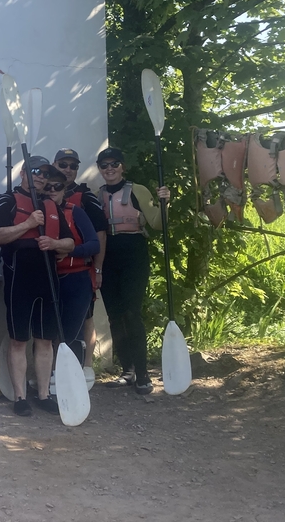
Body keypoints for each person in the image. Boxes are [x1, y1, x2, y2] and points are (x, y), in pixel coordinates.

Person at [0, 155, 74, 417]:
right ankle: (20, 397)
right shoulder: (8, 201)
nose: (40, 176)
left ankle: (44, 394)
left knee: (45, 339)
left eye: (45, 173)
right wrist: (28, 224)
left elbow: (70, 242)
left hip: (47, 277)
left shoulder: (51, 204)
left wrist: (55, 244)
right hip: (19, 278)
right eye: (34, 170)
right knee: (18, 340)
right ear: (22, 173)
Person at [95, 147, 170, 394]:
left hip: (133, 253)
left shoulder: (137, 191)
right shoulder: (99, 195)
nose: (109, 169)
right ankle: (127, 370)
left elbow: (158, 223)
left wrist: (164, 201)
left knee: (131, 313)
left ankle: (143, 373)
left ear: (122, 167)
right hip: (108, 255)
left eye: (114, 164)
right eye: (104, 165)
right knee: (115, 316)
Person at [54, 148, 108, 376]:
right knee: (56, 325)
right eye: (63, 165)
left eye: (72, 166)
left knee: (84, 318)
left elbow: (100, 235)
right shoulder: (44, 195)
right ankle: (55, 371)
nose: (68, 169)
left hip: (81, 270)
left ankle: (86, 367)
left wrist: (98, 269)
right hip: (54, 274)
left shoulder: (84, 197)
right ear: (55, 166)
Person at [43, 166, 99, 361]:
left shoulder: (74, 212)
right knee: (47, 334)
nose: (52, 191)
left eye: (57, 186)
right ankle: (50, 377)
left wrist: (70, 250)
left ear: (64, 189)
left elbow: (94, 244)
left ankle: (73, 376)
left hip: (76, 279)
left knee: (71, 334)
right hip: (48, 280)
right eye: (47, 187)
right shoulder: (37, 213)